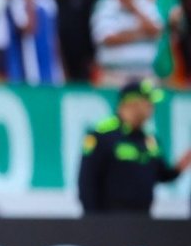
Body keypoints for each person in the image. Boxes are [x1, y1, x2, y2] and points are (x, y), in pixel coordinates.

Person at [79, 79, 191, 214]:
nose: (151, 107)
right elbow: (87, 182)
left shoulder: (150, 140)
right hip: (110, 219)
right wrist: (93, 220)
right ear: (131, 103)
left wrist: (180, 166)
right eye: (147, 102)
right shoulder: (102, 135)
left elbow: (161, 174)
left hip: (143, 219)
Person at [92, 0, 163, 86]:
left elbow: (156, 31)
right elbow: (107, 39)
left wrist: (134, 9)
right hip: (113, 75)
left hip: (144, 74)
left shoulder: (146, 4)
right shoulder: (105, 6)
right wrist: (141, 34)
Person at [7, 0, 64, 85]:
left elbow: (54, 36)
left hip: (47, 62)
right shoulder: (16, 1)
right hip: (23, 63)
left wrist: (61, 66)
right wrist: (28, 2)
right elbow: (27, 28)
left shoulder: (48, 2)